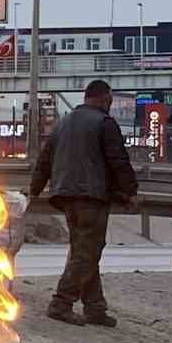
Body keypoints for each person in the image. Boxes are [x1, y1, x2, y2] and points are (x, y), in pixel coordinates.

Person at [29, 79, 139, 327]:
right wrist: (130, 192)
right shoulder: (104, 123)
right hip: (91, 196)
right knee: (86, 252)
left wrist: (34, 190)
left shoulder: (63, 122)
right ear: (103, 99)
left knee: (84, 251)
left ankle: (95, 307)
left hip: (65, 195)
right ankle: (61, 303)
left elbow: (44, 160)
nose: (110, 105)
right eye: (109, 101)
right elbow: (118, 160)